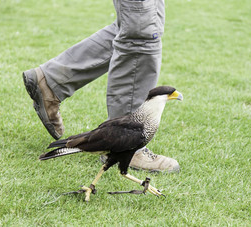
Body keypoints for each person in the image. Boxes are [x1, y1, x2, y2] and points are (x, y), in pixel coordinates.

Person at [22, 0, 179, 172]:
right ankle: (127, 144)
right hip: (129, 133)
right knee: (140, 31)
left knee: (143, 23)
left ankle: (52, 80)